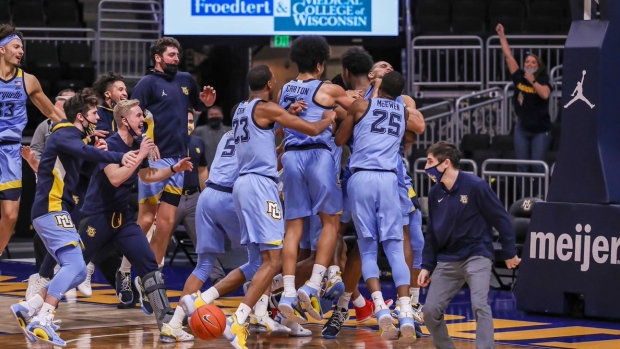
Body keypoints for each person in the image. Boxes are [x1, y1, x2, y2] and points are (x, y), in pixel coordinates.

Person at [185, 64, 335, 349]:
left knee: (257, 262)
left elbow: (267, 129)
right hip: (259, 186)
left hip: (241, 185)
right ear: (270, 82)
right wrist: (327, 117)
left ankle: (201, 299)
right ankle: (238, 320)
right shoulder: (267, 108)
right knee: (274, 260)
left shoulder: (241, 108)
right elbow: (312, 128)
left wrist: (285, 113)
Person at [9, 89, 137, 346]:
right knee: (76, 267)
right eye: (93, 114)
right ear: (80, 117)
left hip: (57, 210)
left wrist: (94, 145)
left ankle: (29, 306)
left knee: (77, 273)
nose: (98, 119)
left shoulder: (76, 139)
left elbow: (85, 172)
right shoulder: (64, 132)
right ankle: (43, 318)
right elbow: (89, 154)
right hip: (50, 208)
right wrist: (117, 155)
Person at [78, 99, 194, 342]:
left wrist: (174, 169)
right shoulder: (106, 144)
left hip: (123, 220)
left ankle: (167, 324)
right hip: (97, 217)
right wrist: (141, 153)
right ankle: (38, 310)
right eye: (138, 115)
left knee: (150, 265)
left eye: (143, 116)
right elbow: (116, 179)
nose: (143, 120)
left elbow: (147, 176)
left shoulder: (139, 144)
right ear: (124, 120)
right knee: (71, 270)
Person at [276, 35, 354, 323]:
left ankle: (286, 291)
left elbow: (282, 130)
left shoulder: (285, 89)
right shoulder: (329, 89)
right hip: (318, 156)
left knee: (293, 228)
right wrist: (342, 111)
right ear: (321, 65)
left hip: (292, 157)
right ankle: (313, 283)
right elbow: (357, 112)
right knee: (330, 222)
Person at [334, 71, 416, 342]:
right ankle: (405, 311)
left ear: (378, 87)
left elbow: (340, 139)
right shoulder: (403, 112)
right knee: (394, 247)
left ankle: (379, 306)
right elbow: (406, 140)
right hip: (389, 180)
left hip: (361, 178)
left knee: (367, 248)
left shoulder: (361, 105)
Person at [419, 141, 521, 349]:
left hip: (477, 254)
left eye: (430, 161)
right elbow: (432, 233)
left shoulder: (475, 186)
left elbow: (501, 219)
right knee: (429, 311)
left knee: (479, 305)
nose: (426, 167)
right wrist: (427, 265)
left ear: (445, 163)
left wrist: (510, 252)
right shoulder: (435, 193)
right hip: (448, 259)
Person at [132, 36, 216, 271]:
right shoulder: (147, 83)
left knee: (167, 223)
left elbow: (198, 105)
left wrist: (206, 102)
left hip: (179, 160)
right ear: (158, 58)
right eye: (171, 55)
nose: (176, 58)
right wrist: (144, 141)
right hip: (154, 159)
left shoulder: (185, 79)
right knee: (147, 219)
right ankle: (127, 270)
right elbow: (129, 118)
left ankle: (152, 273)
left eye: (177, 55)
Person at [0, 24, 64, 259]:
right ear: (1, 49)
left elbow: (54, 114)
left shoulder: (28, 81)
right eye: (16, 46)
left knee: (11, 216)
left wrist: (81, 132)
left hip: (9, 153)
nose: (21, 52)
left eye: (22, 48)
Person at [496, 23, 552, 178]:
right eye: (527, 62)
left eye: (533, 62)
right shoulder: (519, 77)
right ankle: (523, 200)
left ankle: (538, 198)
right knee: (522, 168)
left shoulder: (543, 79)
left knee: (537, 168)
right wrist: (502, 35)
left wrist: (533, 81)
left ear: (539, 66)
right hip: (522, 129)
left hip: (540, 130)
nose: (529, 64)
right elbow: (508, 56)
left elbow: (545, 94)